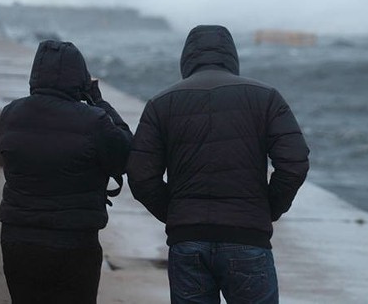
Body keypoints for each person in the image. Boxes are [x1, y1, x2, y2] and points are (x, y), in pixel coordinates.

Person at [127, 25, 310, 304]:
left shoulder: (161, 103)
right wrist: (267, 210)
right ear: (232, 55)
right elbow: (294, 163)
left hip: (187, 240)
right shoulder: (266, 97)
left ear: (186, 58)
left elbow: (140, 177)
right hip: (248, 237)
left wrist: (177, 214)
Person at [0, 40, 132, 304]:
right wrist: (99, 100)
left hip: (17, 237)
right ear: (78, 77)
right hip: (73, 240)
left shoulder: (9, 114)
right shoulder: (95, 121)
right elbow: (126, 153)